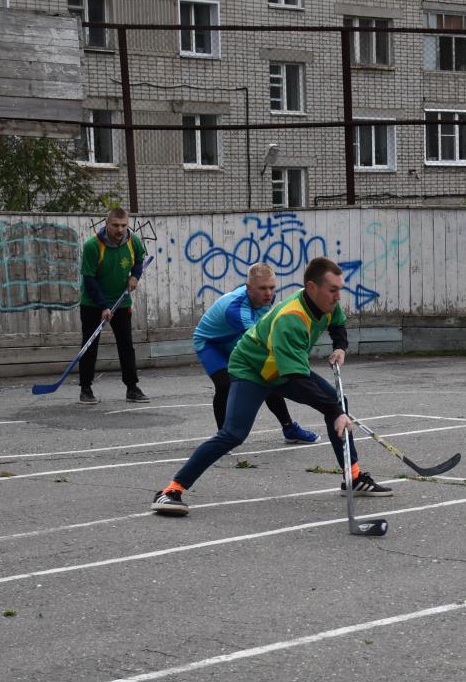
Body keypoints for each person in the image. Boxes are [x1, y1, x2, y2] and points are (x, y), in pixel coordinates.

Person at [152, 257, 391, 516]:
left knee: (336, 401)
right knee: (233, 434)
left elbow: (337, 324)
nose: (337, 296)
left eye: (339, 289)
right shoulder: (292, 319)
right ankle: (169, 492)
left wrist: (340, 347)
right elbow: (299, 379)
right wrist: (334, 412)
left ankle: (353, 478)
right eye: (333, 290)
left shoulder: (326, 303)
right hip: (252, 370)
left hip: (281, 367)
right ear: (312, 288)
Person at [192, 262, 319, 444]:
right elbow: (258, 344)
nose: (268, 293)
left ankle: (289, 428)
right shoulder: (236, 310)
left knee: (268, 376)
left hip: (234, 336)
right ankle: (223, 438)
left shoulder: (265, 298)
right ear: (249, 288)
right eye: (262, 289)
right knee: (225, 385)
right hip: (211, 344)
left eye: (272, 288)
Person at [78, 207, 149, 405]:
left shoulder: (132, 240)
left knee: (126, 345)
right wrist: (103, 306)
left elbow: (140, 260)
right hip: (93, 303)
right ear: (106, 224)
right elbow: (89, 279)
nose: (120, 230)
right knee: (89, 345)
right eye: (115, 225)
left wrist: (135, 276)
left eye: (124, 225)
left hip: (121, 301)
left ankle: (132, 388)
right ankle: (86, 388)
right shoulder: (93, 246)